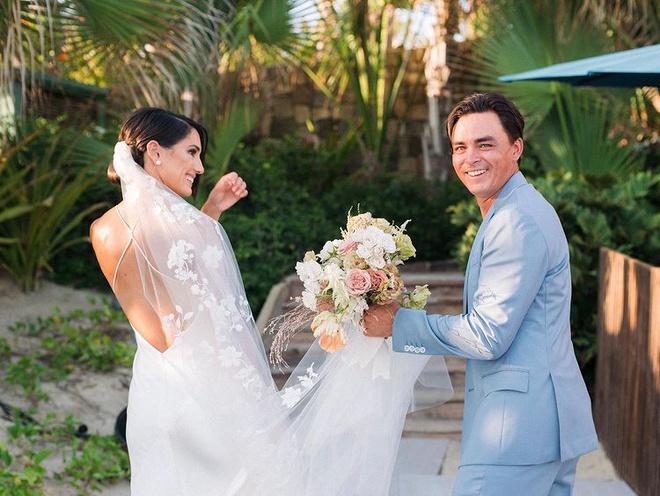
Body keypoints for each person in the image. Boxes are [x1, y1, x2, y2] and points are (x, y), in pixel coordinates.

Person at [90, 107, 452, 495]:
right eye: (192, 152)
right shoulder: (182, 229)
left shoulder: (105, 229)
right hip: (203, 399)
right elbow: (194, 321)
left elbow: (169, 294)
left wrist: (211, 211)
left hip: (164, 392)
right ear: (155, 151)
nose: (199, 166)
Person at [363, 92, 598, 495]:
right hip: (539, 424)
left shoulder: (516, 221)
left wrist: (398, 323)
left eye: (485, 144)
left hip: (516, 430)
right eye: (460, 147)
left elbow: (488, 335)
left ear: (516, 148)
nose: (470, 157)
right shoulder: (515, 208)